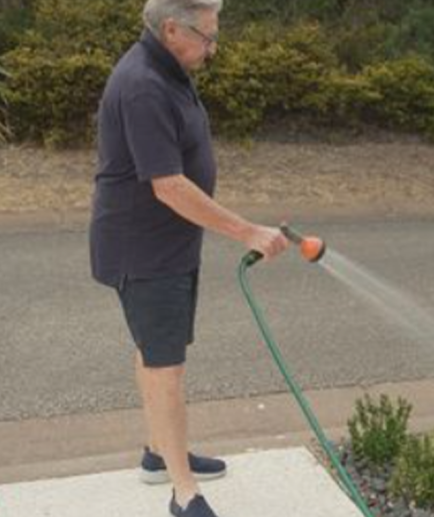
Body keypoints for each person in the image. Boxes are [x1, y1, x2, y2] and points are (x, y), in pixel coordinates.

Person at [89, 1, 288, 516]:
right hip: (145, 249)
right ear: (171, 28)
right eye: (206, 36)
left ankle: (159, 453)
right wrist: (247, 231)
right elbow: (170, 186)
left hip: (168, 244)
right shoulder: (143, 86)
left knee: (157, 353)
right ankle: (183, 493)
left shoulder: (169, 67)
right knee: (165, 368)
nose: (213, 47)